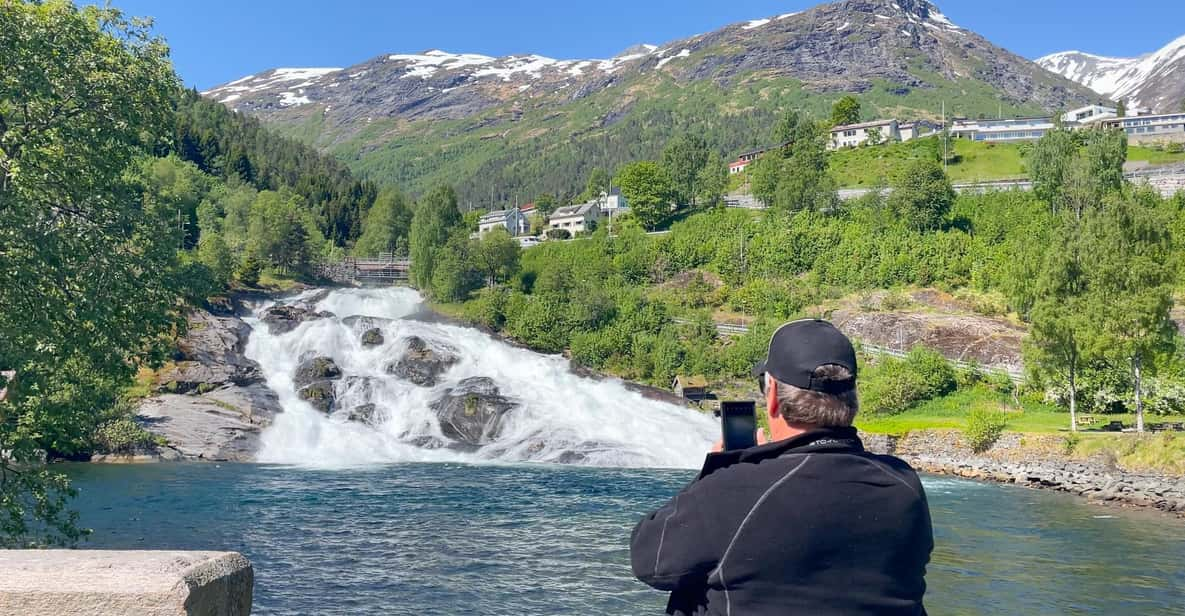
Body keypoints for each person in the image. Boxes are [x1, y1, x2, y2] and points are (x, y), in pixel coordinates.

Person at [630, 319, 933, 615]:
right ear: (852, 399)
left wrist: (719, 471)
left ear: (772, 394)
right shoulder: (904, 485)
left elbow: (648, 559)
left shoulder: (734, 489)